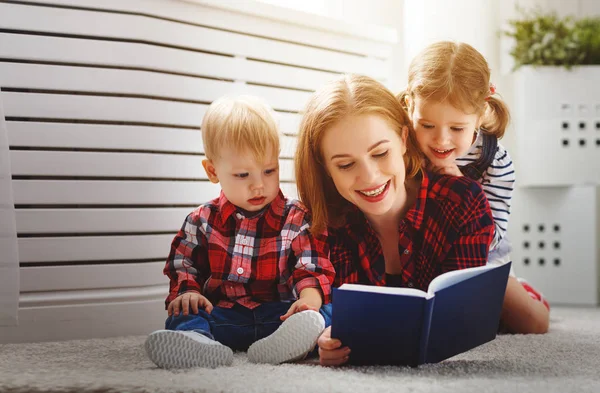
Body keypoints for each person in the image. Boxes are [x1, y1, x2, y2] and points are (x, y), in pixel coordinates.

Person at [294, 74, 495, 367]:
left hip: (489, 249)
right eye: (346, 164)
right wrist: (328, 337)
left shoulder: (461, 201)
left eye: (380, 153)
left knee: (529, 319)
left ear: (402, 140)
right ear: (325, 168)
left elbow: (462, 317)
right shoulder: (320, 226)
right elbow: (336, 313)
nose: (370, 177)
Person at [144, 96, 335, 369]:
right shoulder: (201, 221)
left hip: (281, 317)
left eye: (269, 170)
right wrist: (188, 292)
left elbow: (311, 266)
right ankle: (198, 341)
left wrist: (308, 300)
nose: (259, 185)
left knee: (328, 309)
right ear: (213, 171)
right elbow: (182, 265)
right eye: (243, 175)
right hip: (224, 317)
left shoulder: (297, 217)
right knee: (184, 312)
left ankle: (288, 345)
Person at [399, 41, 549, 334]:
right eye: (427, 125)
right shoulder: (400, 144)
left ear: (480, 116)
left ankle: (527, 292)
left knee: (532, 323)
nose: (441, 141)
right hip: (415, 249)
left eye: (457, 129)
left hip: (479, 256)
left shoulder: (495, 161)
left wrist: (462, 189)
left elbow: (493, 238)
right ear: (409, 107)